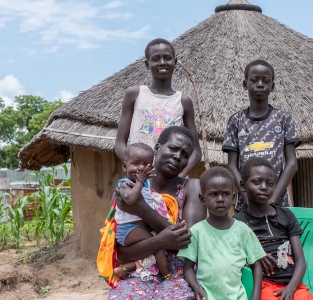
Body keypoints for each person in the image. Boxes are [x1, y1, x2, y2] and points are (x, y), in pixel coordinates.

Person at [108, 126, 206, 299]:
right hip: (137, 273)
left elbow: (187, 243)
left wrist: (142, 210)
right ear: (158, 148)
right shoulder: (127, 188)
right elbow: (121, 253)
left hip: (180, 276)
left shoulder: (192, 188)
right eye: (174, 149)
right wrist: (162, 241)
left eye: (185, 154)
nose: (178, 156)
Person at [115, 38, 201, 177]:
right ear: (147, 64)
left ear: (175, 62)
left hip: (171, 180)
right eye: (155, 59)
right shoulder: (135, 94)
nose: (162, 62)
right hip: (139, 179)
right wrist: (137, 167)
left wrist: (178, 176)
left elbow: (196, 151)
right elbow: (120, 144)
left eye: (167, 58)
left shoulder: (183, 101)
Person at [222, 59, 301, 211]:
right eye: (254, 80)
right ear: (245, 84)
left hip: (279, 203)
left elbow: (292, 164)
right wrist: (246, 197)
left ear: (273, 86)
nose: (260, 84)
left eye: (265, 80)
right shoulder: (236, 121)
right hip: (246, 205)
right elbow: (232, 165)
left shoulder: (283, 118)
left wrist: (273, 199)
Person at [178, 166, 266, 300]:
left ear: (233, 197)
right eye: (213, 194)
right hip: (206, 296)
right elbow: (188, 268)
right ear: (202, 199)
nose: (220, 199)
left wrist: (256, 296)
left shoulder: (243, 230)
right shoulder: (197, 231)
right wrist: (196, 287)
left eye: (225, 194)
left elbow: (256, 265)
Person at [234, 157, 313, 300]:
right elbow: (237, 258)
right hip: (263, 284)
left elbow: (301, 261)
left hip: (292, 285)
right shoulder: (239, 222)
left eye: (270, 183)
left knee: (304, 298)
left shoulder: (286, 215)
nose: (264, 187)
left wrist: (291, 288)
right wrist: (256, 255)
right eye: (257, 182)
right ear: (242, 185)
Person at [111, 143, 171, 281]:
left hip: (138, 228)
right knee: (156, 245)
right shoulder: (124, 183)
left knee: (148, 254)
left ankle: (123, 269)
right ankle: (167, 276)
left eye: (146, 165)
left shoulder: (146, 184)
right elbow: (130, 199)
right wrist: (140, 180)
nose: (141, 168)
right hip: (128, 229)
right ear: (125, 166)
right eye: (136, 164)